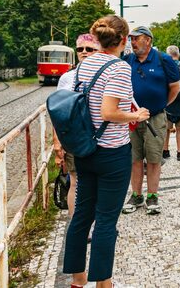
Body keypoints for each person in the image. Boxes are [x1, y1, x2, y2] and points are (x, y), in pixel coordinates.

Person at [63, 15, 150, 288]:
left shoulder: (82, 68)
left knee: (82, 215)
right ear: (123, 40)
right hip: (112, 153)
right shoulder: (119, 68)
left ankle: (78, 279)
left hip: (85, 150)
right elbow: (109, 112)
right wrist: (136, 115)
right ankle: (104, 283)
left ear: (97, 39)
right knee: (106, 220)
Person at [122, 26, 180, 215]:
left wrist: (160, 105)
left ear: (148, 40)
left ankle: (152, 196)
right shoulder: (127, 60)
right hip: (131, 118)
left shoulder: (164, 60)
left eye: (136, 39)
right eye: (131, 39)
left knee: (154, 158)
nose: (132, 42)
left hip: (155, 117)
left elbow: (175, 88)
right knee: (135, 158)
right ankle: (136, 195)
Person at [53, 33, 101, 219]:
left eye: (90, 49)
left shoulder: (105, 73)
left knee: (97, 182)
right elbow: (58, 112)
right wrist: (57, 142)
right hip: (76, 138)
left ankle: (96, 222)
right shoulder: (67, 78)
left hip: (99, 136)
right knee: (76, 182)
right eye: (80, 49)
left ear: (99, 51)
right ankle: (77, 224)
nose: (84, 52)